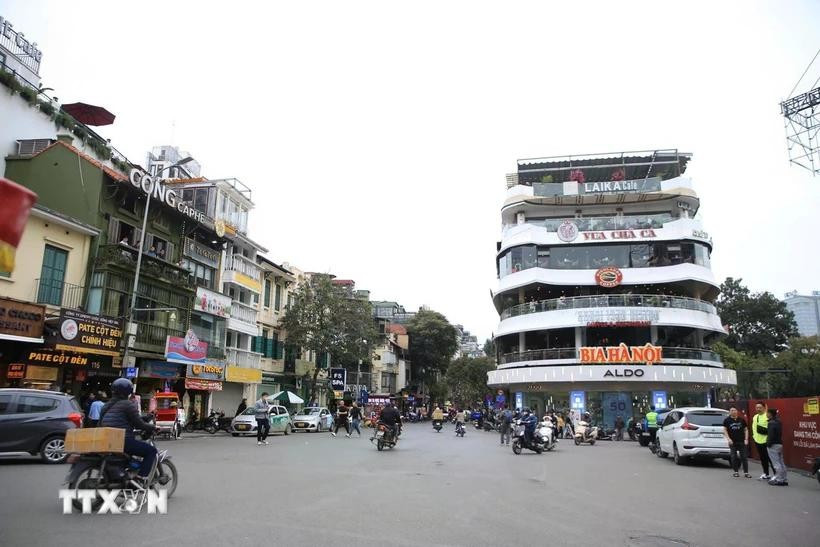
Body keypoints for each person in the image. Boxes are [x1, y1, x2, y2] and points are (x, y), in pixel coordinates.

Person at [99, 378, 157, 488]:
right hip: (122, 440)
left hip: (106, 441)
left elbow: (101, 423)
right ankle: (140, 479)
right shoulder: (128, 404)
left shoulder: (106, 406)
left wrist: (144, 419)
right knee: (151, 451)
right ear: (128, 392)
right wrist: (152, 427)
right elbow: (139, 424)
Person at [723, 406, 751, 478]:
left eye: (734, 410)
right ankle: (736, 472)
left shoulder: (741, 420)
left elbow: (746, 430)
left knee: (744, 457)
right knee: (733, 457)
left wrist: (746, 439)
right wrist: (728, 439)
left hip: (742, 441)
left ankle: (746, 473)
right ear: (729, 412)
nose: (733, 412)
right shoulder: (727, 420)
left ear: (737, 411)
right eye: (731, 410)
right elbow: (725, 430)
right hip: (732, 442)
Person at [766, 408, 787, 486]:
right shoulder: (778, 422)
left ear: (770, 414)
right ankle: (784, 479)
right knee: (781, 462)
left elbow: (771, 435)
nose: (766, 414)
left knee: (776, 463)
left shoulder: (771, 423)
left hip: (773, 445)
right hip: (779, 444)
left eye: (767, 413)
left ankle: (779, 479)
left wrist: (768, 444)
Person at [751, 401, 771, 481]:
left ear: (764, 407)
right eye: (757, 407)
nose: (758, 409)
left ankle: (776, 475)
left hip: (766, 441)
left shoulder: (768, 416)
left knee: (770, 459)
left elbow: (771, 428)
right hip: (757, 441)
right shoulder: (755, 417)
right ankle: (766, 474)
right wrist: (754, 437)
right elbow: (753, 428)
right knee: (763, 459)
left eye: (760, 407)